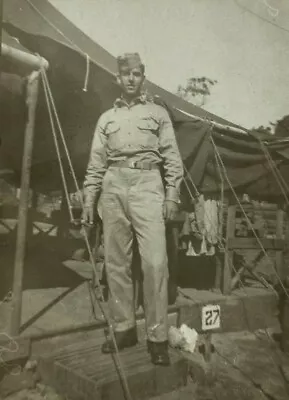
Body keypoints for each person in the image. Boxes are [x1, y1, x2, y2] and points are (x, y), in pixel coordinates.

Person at [82, 53, 183, 366]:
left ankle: (157, 337)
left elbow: (172, 157)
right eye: (125, 74)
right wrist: (89, 199)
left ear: (143, 77)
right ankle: (123, 329)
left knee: (155, 263)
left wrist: (171, 196)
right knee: (116, 264)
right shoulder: (106, 119)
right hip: (113, 187)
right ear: (117, 78)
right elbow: (96, 164)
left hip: (147, 185)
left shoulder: (158, 113)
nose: (130, 79)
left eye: (136, 74)